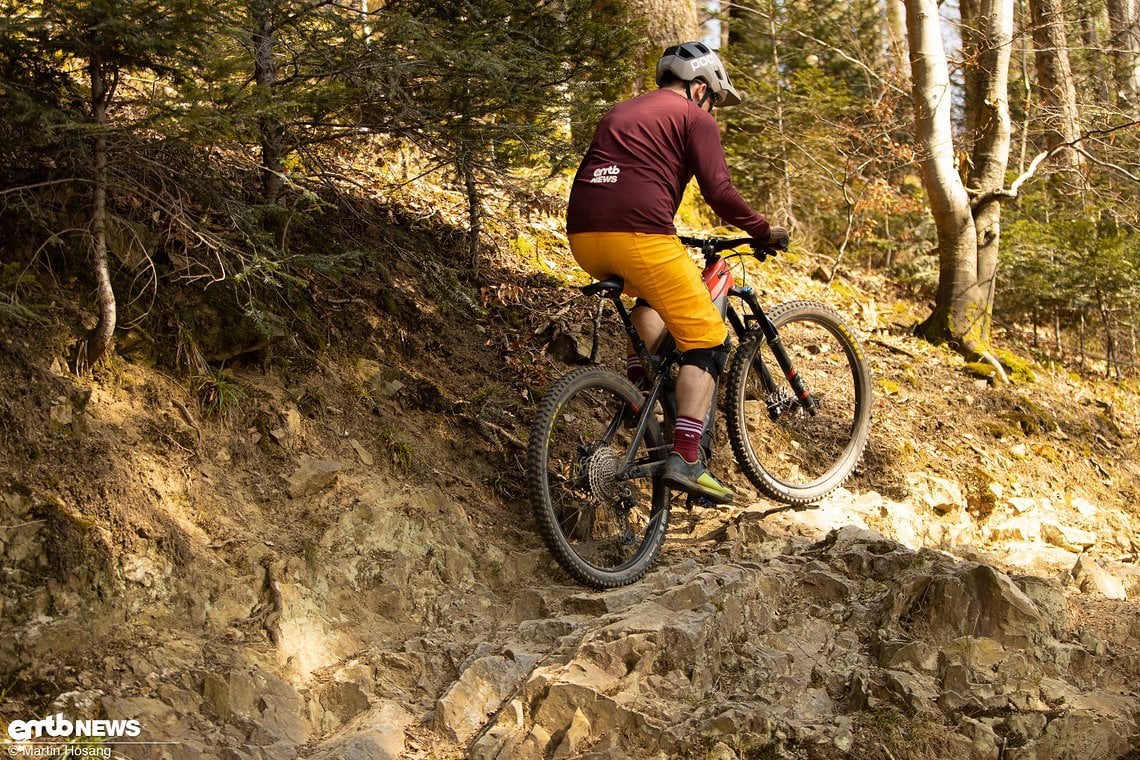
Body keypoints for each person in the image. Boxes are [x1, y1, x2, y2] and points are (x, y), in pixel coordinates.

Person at [566, 41, 788, 505]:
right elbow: (720, 192)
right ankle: (687, 455)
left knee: (652, 293)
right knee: (708, 339)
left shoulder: (620, 110)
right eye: (715, 99)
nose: (715, 109)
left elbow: (625, 175)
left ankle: (639, 378)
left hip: (584, 237)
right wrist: (763, 230)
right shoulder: (694, 117)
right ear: (701, 86)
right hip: (640, 235)